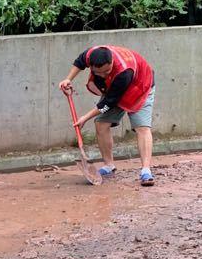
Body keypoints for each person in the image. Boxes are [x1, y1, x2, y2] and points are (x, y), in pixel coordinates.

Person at [59, 44, 156, 185]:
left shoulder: (124, 71)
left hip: (140, 87)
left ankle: (146, 171)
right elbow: (80, 62)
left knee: (142, 127)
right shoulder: (91, 54)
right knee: (101, 123)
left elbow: (108, 104)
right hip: (113, 90)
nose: (104, 75)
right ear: (91, 66)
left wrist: (85, 118)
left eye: (107, 71)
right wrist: (68, 79)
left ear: (112, 62)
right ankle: (109, 166)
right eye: (99, 73)